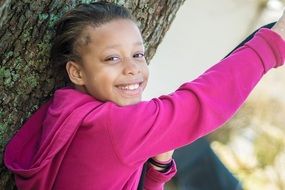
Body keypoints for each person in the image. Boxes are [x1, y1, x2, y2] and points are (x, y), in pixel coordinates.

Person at [3, 1, 285, 190]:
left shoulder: (65, 110)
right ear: (77, 72)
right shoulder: (115, 126)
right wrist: (274, 44)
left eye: (138, 54)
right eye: (112, 58)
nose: (132, 69)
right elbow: (203, 101)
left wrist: (157, 169)